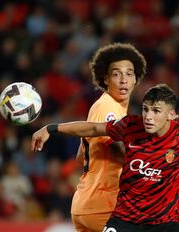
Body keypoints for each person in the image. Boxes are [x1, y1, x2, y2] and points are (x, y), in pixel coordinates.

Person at [32, 84, 179, 232]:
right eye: (145, 109)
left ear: (172, 115)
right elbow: (93, 128)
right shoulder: (130, 126)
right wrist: (52, 128)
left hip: (163, 224)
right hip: (124, 221)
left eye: (156, 111)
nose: (148, 116)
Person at [71, 43, 146, 232]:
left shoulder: (110, 108)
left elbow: (80, 156)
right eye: (116, 74)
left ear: (136, 79)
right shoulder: (108, 107)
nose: (123, 80)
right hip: (103, 204)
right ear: (105, 79)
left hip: (88, 202)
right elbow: (117, 149)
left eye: (129, 74)